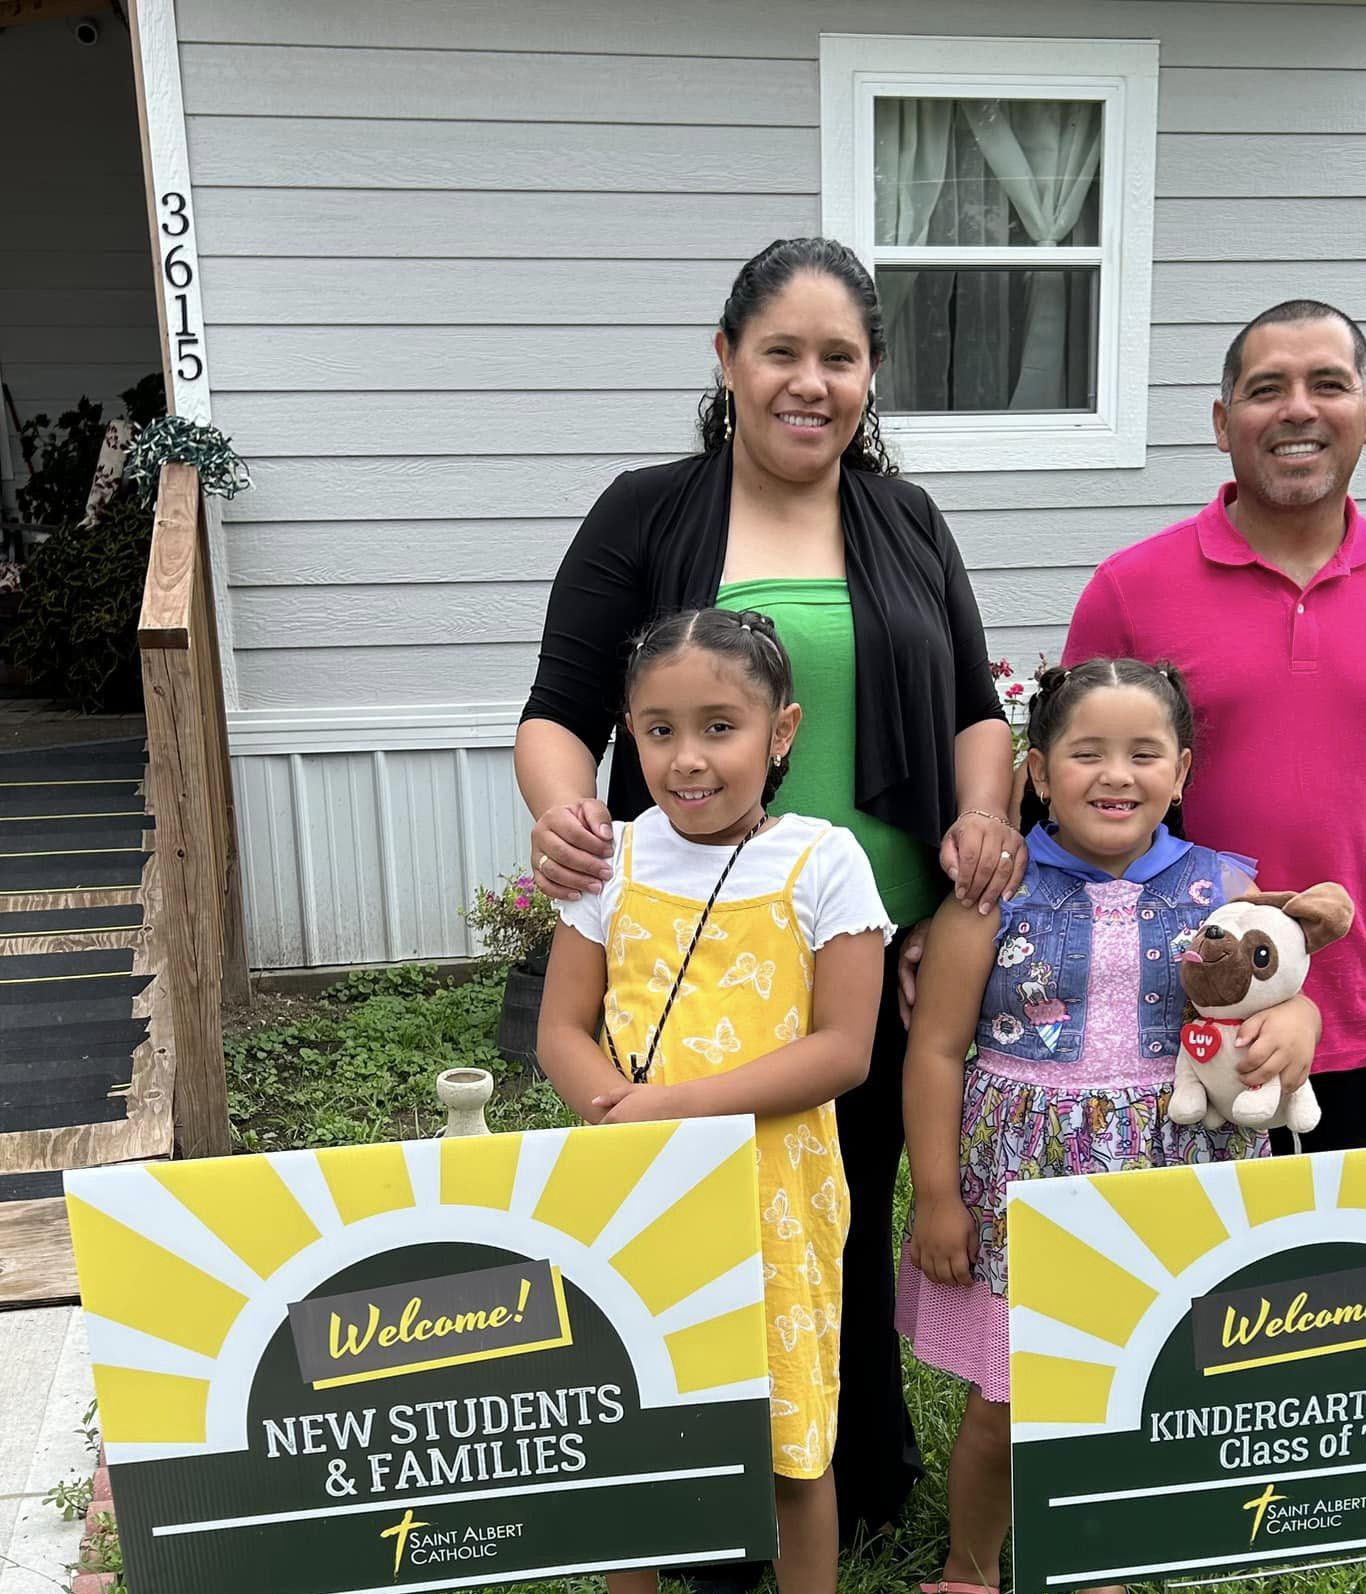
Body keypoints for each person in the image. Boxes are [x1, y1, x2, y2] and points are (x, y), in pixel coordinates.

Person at [516, 237, 1022, 1537]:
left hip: (875, 942)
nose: (811, 382)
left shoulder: (904, 518)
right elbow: (559, 710)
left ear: (871, 377)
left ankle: (844, 1470)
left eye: (839, 358)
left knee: (834, 1214)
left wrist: (979, 815)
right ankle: (703, 1485)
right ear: (728, 358)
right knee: (695, 1227)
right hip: (694, 955)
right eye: (782, 352)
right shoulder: (647, 511)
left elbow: (974, 710)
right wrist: (564, 811)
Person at [895, 658, 1324, 1594]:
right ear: (1040, 772)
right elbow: (933, 1052)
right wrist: (935, 1196)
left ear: (1183, 771)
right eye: (1086, 753)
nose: (1115, 775)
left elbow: (1282, 989)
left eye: (1143, 752)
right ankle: (971, 1570)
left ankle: (1100, 1562)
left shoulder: (1230, 890)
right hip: (1022, 1188)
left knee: (1139, 1392)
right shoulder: (987, 896)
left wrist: (1299, 1022)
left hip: (1174, 1183)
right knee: (1002, 1403)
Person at [1064, 300, 1366, 1153]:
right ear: (1224, 424)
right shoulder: (1130, 591)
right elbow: (1066, 803)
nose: (1298, 409)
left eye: (1327, 384)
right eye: (1267, 390)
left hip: (1351, 1018)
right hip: (1164, 1022)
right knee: (1164, 1280)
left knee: (1334, 1280)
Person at [536, 608, 890, 1594]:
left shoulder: (824, 862)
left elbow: (843, 1049)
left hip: (777, 1194)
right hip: (637, 1188)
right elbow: (563, 1027)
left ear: (782, 730)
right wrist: (617, 1110)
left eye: (719, 727)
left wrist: (673, 1109)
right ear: (630, 732)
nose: (688, 758)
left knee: (789, 1435)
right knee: (638, 1420)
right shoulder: (616, 862)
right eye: (659, 730)